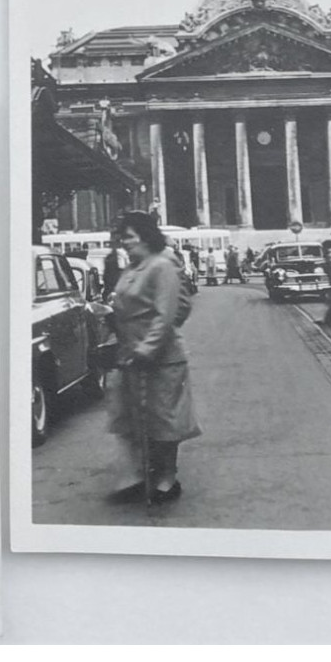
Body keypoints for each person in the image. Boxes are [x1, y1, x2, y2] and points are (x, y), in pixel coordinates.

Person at [105, 211, 202, 505]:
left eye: (130, 237)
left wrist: (147, 349)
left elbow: (165, 315)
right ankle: (137, 476)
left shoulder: (162, 267)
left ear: (146, 237)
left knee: (164, 420)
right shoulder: (133, 267)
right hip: (130, 355)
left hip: (160, 358)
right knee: (130, 418)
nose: (125, 243)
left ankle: (167, 479)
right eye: (122, 238)